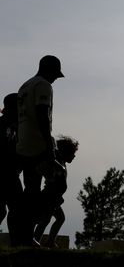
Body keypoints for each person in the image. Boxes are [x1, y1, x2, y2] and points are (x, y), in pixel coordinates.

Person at [16, 55, 64, 246]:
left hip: (23, 143)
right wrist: (49, 145)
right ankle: (28, 236)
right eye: (55, 75)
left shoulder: (25, 85)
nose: (55, 79)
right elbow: (42, 115)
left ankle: (25, 236)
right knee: (50, 188)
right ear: (50, 70)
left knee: (30, 190)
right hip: (38, 144)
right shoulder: (43, 85)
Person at [34, 135, 79, 248]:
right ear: (65, 152)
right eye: (72, 153)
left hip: (55, 198)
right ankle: (35, 239)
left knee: (60, 218)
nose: (74, 156)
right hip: (50, 196)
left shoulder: (62, 163)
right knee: (46, 219)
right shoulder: (57, 162)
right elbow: (45, 170)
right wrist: (51, 177)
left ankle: (50, 241)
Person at [0, 93, 24, 245]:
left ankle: (16, 242)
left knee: (9, 210)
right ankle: (16, 243)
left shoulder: (12, 124)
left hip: (9, 172)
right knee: (16, 209)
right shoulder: (8, 125)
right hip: (6, 172)